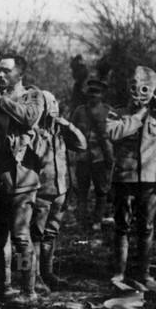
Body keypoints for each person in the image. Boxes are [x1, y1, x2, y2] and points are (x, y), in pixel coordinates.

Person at [105, 66, 156, 288]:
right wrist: (139, 114)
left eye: (143, 88)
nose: (136, 93)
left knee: (146, 227)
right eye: (133, 87)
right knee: (122, 226)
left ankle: (143, 272)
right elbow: (113, 133)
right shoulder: (119, 112)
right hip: (125, 178)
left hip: (151, 179)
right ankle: (119, 272)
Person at [0, 53, 44, 305]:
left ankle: (28, 290)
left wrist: (1, 101)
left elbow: (29, 117)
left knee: (20, 236)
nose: (0, 75)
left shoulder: (32, 95)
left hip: (22, 177)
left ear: (20, 74)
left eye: (7, 71)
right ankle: (3, 286)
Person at [29, 90, 87, 294]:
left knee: (50, 235)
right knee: (34, 235)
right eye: (48, 105)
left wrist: (67, 125)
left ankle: (48, 273)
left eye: (55, 104)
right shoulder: (34, 131)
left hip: (61, 190)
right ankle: (31, 277)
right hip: (41, 191)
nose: (53, 109)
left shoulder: (61, 132)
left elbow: (82, 145)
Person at [69, 78, 113, 230]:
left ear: (102, 95)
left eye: (97, 93)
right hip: (82, 158)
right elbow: (70, 133)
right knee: (82, 191)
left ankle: (97, 221)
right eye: (91, 92)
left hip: (101, 158)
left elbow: (115, 135)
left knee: (102, 191)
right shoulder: (80, 111)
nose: (93, 95)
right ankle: (82, 220)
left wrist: (111, 158)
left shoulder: (108, 112)